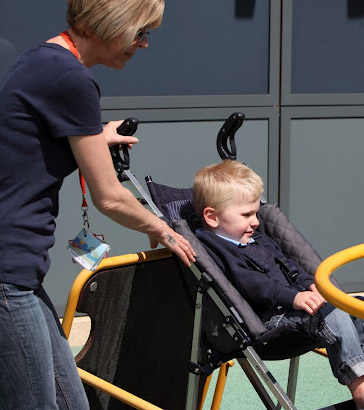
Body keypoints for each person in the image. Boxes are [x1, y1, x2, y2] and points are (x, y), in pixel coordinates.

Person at [0, 0, 196, 409]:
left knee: (73, 402)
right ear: (112, 24)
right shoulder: (71, 78)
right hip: (8, 271)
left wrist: (94, 134)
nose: (144, 45)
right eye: (141, 32)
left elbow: (32, 138)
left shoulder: (43, 59)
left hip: (18, 270)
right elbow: (110, 198)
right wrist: (163, 228)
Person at [193, 159, 364, 409]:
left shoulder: (258, 239)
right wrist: (292, 298)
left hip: (296, 308)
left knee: (357, 307)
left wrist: (311, 284)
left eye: (256, 213)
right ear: (212, 216)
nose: (255, 221)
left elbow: (291, 266)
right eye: (246, 214)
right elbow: (251, 284)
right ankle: (359, 386)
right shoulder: (214, 247)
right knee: (333, 314)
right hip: (267, 324)